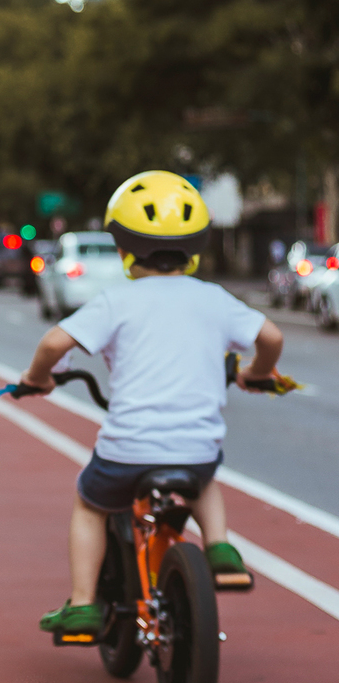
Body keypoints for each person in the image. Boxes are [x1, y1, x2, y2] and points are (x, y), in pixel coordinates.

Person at [18, 170, 286, 643]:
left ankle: (82, 606)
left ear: (122, 247)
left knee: (90, 504)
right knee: (204, 475)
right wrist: (259, 372)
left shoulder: (116, 301)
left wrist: (37, 379)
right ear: (197, 247)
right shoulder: (214, 298)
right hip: (195, 451)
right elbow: (271, 337)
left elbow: (54, 342)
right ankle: (221, 549)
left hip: (127, 452)